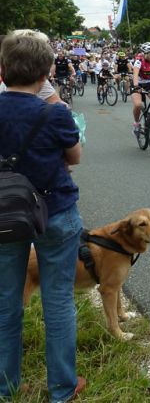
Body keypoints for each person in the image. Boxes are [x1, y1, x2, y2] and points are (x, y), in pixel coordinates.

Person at [0, 32, 85, 401]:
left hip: (4, 214)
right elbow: (75, 158)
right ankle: (63, 389)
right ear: (46, 72)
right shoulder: (55, 112)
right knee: (58, 300)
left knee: (6, 300)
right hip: (55, 212)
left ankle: (5, 385)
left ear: (3, 71)